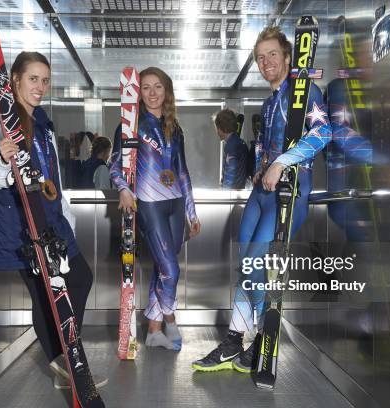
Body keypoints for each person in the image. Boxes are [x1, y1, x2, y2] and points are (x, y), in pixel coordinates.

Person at [193, 26, 332, 372]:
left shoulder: (304, 91)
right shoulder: (270, 103)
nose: (266, 61)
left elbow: (323, 131)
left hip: (290, 193)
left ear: (287, 57)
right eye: (260, 57)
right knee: (245, 267)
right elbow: (265, 146)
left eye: (273, 54)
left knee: (255, 268)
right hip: (261, 193)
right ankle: (234, 341)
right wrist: (261, 167)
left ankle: (260, 337)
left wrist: (281, 163)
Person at [0, 51, 106, 389]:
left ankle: (67, 359)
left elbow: (54, 177)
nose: (40, 86)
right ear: (14, 80)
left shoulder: (44, 123)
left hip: (52, 222)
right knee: (44, 296)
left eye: (45, 80)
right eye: (33, 78)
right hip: (21, 226)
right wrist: (2, 158)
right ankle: (65, 364)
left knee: (79, 279)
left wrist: (66, 215)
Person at [110, 66, 201, 351]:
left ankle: (153, 331)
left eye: (157, 86)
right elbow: (115, 164)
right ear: (137, 92)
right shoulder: (129, 124)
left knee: (164, 268)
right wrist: (124, 189)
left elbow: (183, 172)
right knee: (171, 271)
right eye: (145, 87)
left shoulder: (175, 127)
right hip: (148, 204)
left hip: (175, 204)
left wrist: (191, 212)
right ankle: (170, 318)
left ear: (167, 91)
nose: (152, 93)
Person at [213, 108, 249, 189]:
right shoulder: (240, 142)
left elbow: (230, 174)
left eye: (217, 127)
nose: (217, 131)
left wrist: (224, 194)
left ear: (220, 128)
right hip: (240, 189)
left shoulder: (231, 146)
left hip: (232, 193)